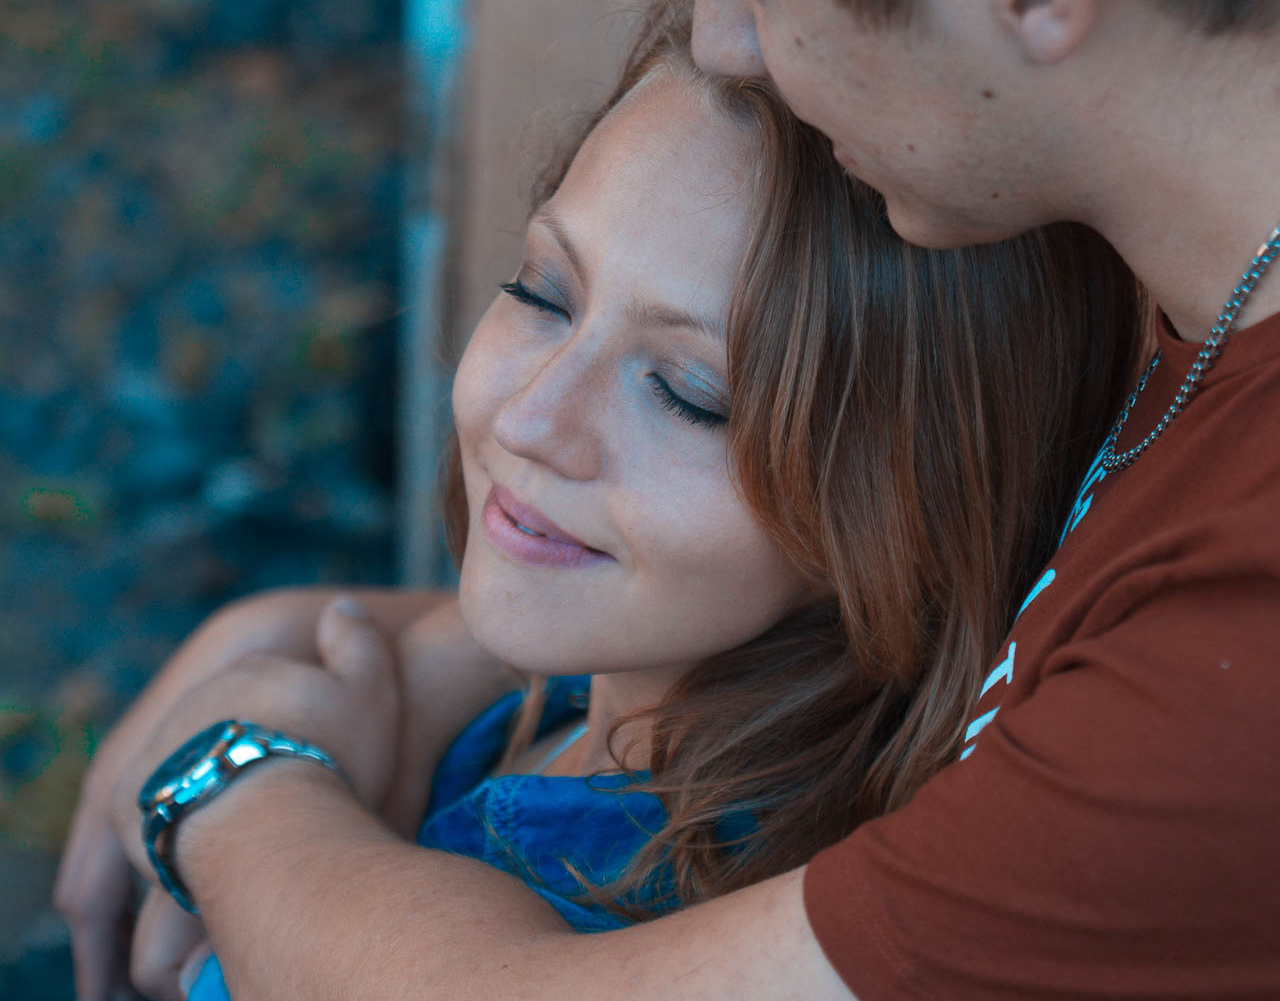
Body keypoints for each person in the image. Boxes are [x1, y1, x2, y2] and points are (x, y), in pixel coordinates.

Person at [55, 1, 1280, 999]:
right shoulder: (1185, 326)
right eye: (538, 291)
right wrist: (407, 649)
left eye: (691, 394)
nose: (530, 418)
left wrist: (236, 776)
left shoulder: (624, 888)